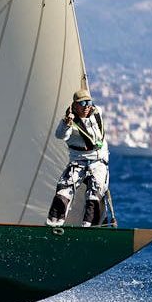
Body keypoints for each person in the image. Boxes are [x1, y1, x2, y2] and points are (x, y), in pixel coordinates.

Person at [46, 89, 110, 228]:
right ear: (75, 105)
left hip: (98, 162)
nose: (87, 106)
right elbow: (60, 135)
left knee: (94, 195)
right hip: (78, 162)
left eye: (88, 102)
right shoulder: (69, 121)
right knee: (64, 191)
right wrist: (67, 122)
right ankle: (54, 224)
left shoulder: (97, 111)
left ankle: (90, 227)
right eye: (82, 103)